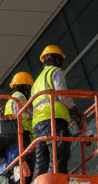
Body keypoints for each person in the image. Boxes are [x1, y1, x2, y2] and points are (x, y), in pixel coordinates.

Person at [31, 45, 81, 176]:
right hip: (54, 117)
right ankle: (59, 179)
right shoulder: (55, 72)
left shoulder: (36, 82)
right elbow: (63, 96)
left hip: (38, 122)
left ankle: (39, 182)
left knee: (42, 157)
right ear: (58, 60)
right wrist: (74, 111)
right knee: (59, 153)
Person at [3, 71, 34, 184]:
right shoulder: (19, 97)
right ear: (25, 87)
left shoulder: (10, 101)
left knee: (18, 169)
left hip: (15, 140)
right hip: (21, 137)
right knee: (24, 167)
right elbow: (24, 114)